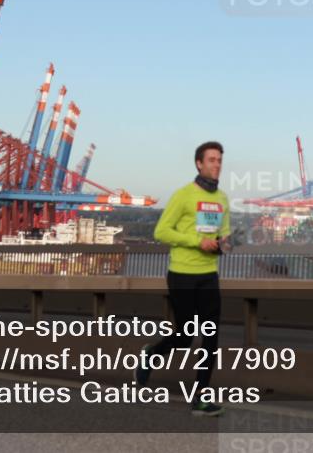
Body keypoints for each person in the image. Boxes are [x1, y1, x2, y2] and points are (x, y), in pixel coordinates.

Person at [134, 141, 230, 417]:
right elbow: (161, 231)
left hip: (209, 276)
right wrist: (196, 242)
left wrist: (225, 243)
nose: (217, 164)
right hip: (182, 274)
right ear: (199, 164)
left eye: (220, 160)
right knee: (186, 336)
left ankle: (200, 398)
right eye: (212, 160)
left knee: (210, 337)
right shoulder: (184, 195)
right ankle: (151, 353)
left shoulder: (222, 199)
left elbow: (223, 234)